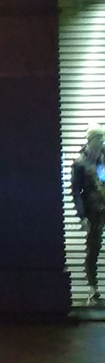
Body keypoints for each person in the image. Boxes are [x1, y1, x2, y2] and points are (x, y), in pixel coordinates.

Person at [71, 124, 105, 304]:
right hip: (94, 212)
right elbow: (76, 191)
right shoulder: (80, 163)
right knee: (94, 249)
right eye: (98, 139)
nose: (101, 142)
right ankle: (93, 287)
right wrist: (82, 216)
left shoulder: (104, 158)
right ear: (90, 140)